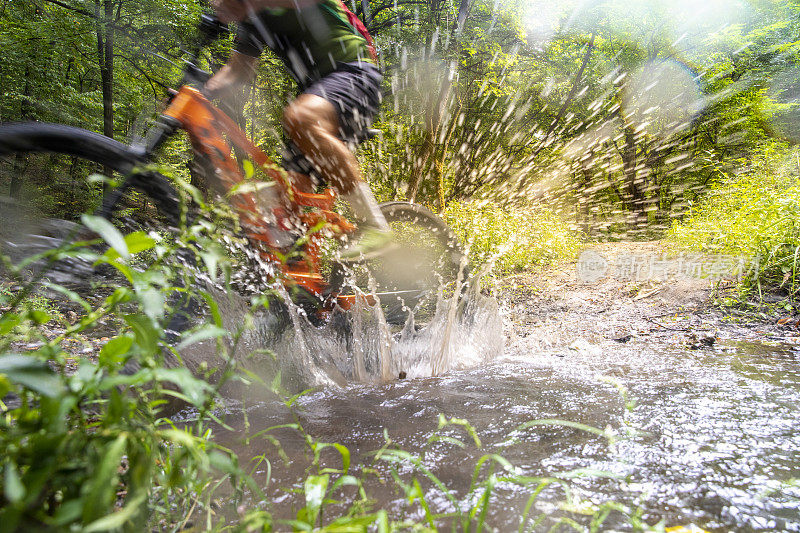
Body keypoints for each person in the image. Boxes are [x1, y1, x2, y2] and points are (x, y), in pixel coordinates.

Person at [206, 0, 393, 260]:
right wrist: (197, 93)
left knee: (300, 117)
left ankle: (374, 224)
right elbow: (236, 72)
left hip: (355, 76)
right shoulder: (253, 19)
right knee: (282, 205)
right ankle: (302, 284)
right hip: (316, 95)